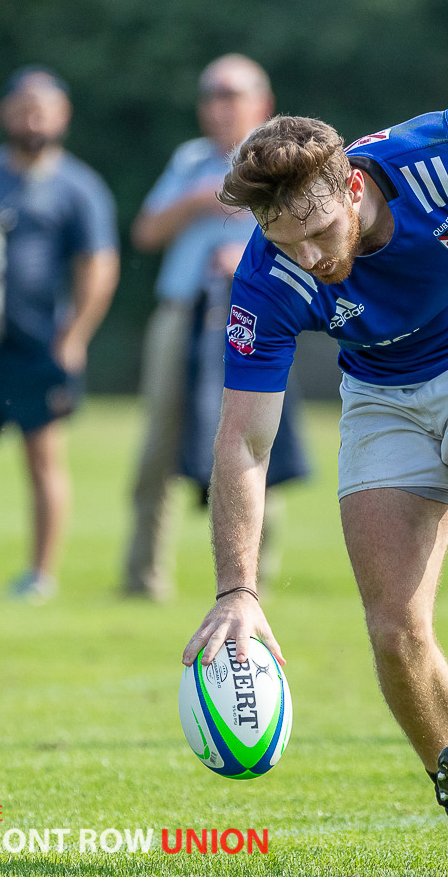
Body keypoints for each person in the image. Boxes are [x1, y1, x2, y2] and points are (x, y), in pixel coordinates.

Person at [182, 103, 448, 871]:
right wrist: (235, 589)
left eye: (319, 231)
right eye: (287, 240)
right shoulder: (267, 277)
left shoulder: (445, 156)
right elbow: (243, 441)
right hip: (382, 395)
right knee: (393, 625)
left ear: (351, 189)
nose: (309, 256)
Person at [122, 53, 289, 600]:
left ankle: (254, 581)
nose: (218, 107)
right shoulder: (191, 159)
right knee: (157, 448)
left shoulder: (282, 159)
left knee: (257, 440)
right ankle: (144, 580)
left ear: (260, 103)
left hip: (252, 317)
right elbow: (146, 232)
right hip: (180, 312)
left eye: (230, 94)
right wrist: (199, 200)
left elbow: (312, 237)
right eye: (210, 95)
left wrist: (244, 254)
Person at [0, 66, 119, 603]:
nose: (32, 118)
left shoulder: (77, 186)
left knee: (43, 456)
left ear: (63, 116)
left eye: (44, 108)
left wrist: (75, 334)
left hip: (39, 345)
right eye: (22, 107)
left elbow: (99, 264)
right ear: (4, 112)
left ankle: (39, 575)